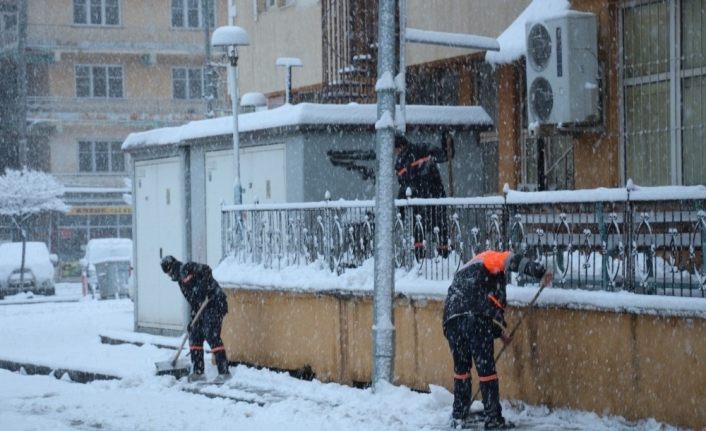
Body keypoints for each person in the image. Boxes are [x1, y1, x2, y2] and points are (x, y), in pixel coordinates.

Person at [442, 250, 553, 429]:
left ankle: (459, 414)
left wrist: (500, 334)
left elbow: (477, 302)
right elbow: (513, 260)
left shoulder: (467, 271)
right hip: (474, 317)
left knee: (461, 369)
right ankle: (493, 419)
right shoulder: (489, 257)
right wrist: (540, 272)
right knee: (486, 371)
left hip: (452, 319)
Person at [160, 255, 231, 383]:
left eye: (168, 272)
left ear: (171, 267)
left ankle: (224, 372)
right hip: (203, 308)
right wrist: (192, 320)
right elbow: (193, 302)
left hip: (215, 301)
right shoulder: (181, 283)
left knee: (211, 334)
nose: (169, 276)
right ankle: (198, 372)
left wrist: (205, 287)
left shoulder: (187, 267)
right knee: (194, 334)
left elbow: (207, 270)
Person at [394, 133, 454, 259]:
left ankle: (444, 257)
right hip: (419, 200)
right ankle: (420, 260)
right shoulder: (400, 162)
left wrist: (444, 148)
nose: (395, 153)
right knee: (420, 228)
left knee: (438, 225)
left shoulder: (420, 150)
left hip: (433, 196)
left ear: (401, 146)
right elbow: (403, 185)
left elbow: (443, 155)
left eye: (396, 149)